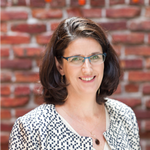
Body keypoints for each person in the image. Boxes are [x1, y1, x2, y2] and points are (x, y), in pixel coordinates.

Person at [9, 17, 141, 150]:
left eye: (95, 57)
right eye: (76, 59)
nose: (88, 69)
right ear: (60, 66)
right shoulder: (30, 128)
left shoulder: (124, 116)